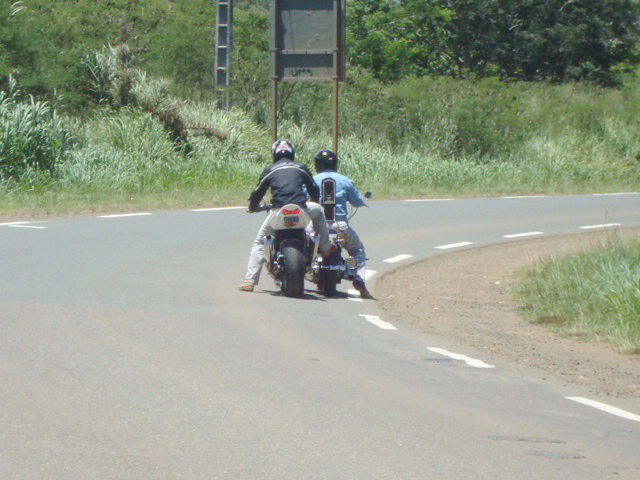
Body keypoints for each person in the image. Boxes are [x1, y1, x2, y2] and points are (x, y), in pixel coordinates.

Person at [238, 140, 332, 292]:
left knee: (259, 243)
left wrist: (252, 207)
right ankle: (326, 247)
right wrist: (312, 201)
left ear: (274, 154)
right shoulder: (301, 167)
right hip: (301, 209)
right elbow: (314, 189)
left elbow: (257, 192)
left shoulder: (270, 169)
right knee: (319, 210)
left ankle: (250, 281)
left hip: (278, 211)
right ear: (292, 153)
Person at [313, 149, 373, 299]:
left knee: (304, 246)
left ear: (317, 165)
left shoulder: (312, 179)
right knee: (357, 249)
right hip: (340, 226)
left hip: (315, 226)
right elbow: (358, 202)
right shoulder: (345, 180)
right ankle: (358, 278)